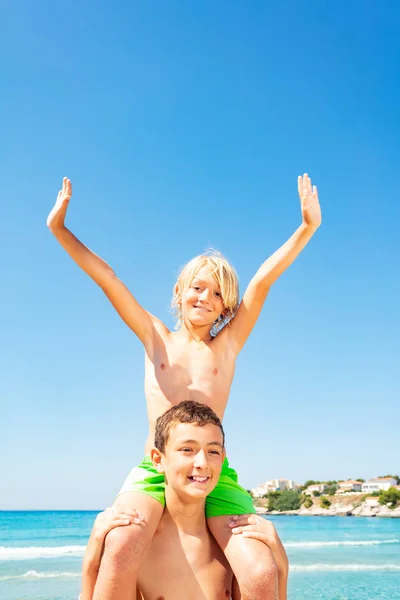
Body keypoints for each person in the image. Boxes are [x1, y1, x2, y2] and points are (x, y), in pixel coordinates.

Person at [47, 173, 320, 599]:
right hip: (156, 471)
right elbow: (108, 278)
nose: (205, 298)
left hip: (215, 472)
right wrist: (59, 229)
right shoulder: (155, 336)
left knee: (260, 568)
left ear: (226, 306)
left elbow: (263, 281)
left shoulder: (227, 345)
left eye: (216, 294)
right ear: (179, 290)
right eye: (197, 287)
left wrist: (306, 228)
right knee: (119, 546)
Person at [81, 401, 289, 600]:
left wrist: (280, 562)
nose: (202, 463)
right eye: (187, 450)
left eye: (213, 451)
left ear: (223, 459)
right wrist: (92, 557)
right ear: (158, 460)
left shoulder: (231, 545)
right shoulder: (140, 545)